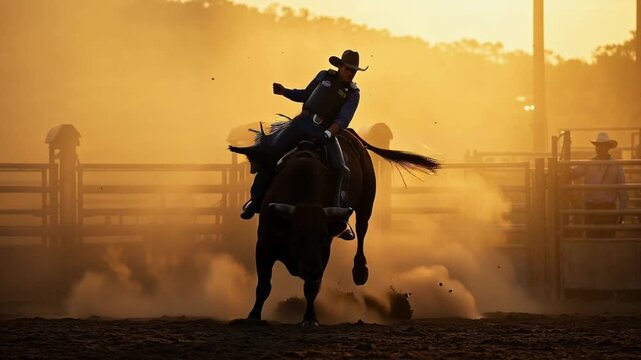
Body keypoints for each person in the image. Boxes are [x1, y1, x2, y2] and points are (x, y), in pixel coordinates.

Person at [240, 49, 368, 220]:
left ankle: (339, 216)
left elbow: (343, 119)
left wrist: (328, 134)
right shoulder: (324, 76)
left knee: (341, 168)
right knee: (270, 151)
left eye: (353, 70)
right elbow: (306, 95)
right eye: (348, 68)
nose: (350, 73)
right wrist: (285, 91)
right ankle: (256, 200)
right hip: (301, 123)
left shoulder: (353, 93)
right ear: (340, 66)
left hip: (325, 130)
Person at [570, 132, 628, 238]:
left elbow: (622, 189)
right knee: (593, 239)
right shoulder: (589, 163)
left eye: (601, 145)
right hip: (592, 208)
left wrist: (623, 210)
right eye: (597, 145)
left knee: (606, 238)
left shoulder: (615, 165)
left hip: (607, 208)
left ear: (607, 147)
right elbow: (573, 173)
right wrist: (563, 170)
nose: (598, 148)